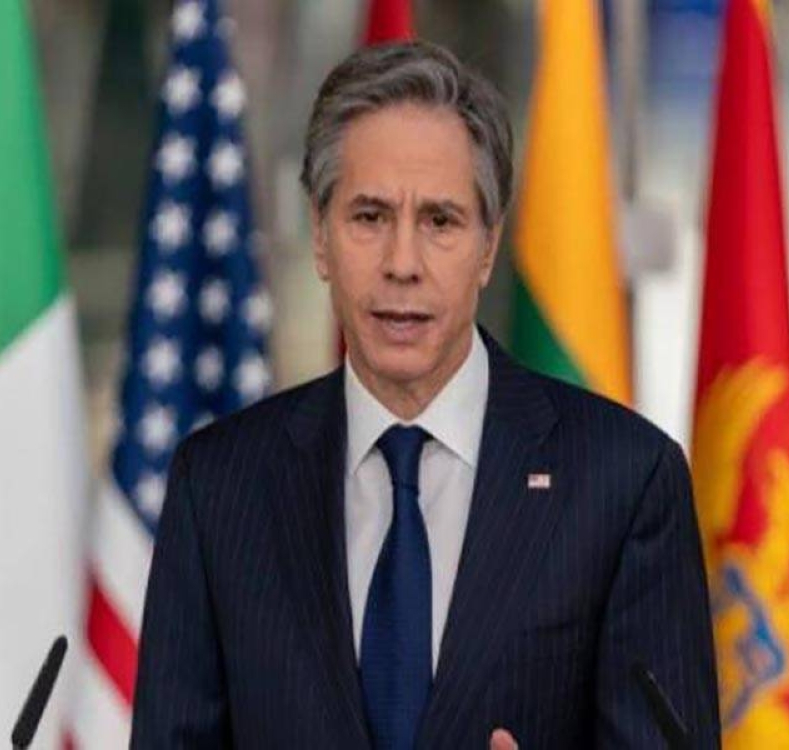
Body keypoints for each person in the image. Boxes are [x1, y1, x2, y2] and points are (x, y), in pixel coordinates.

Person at [131, 41, 720, 749]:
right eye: (369, 217)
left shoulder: (626, 481)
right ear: (320, 236)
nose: (402, 263)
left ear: (488, 246)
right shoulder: (218, 487)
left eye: (440, 222)